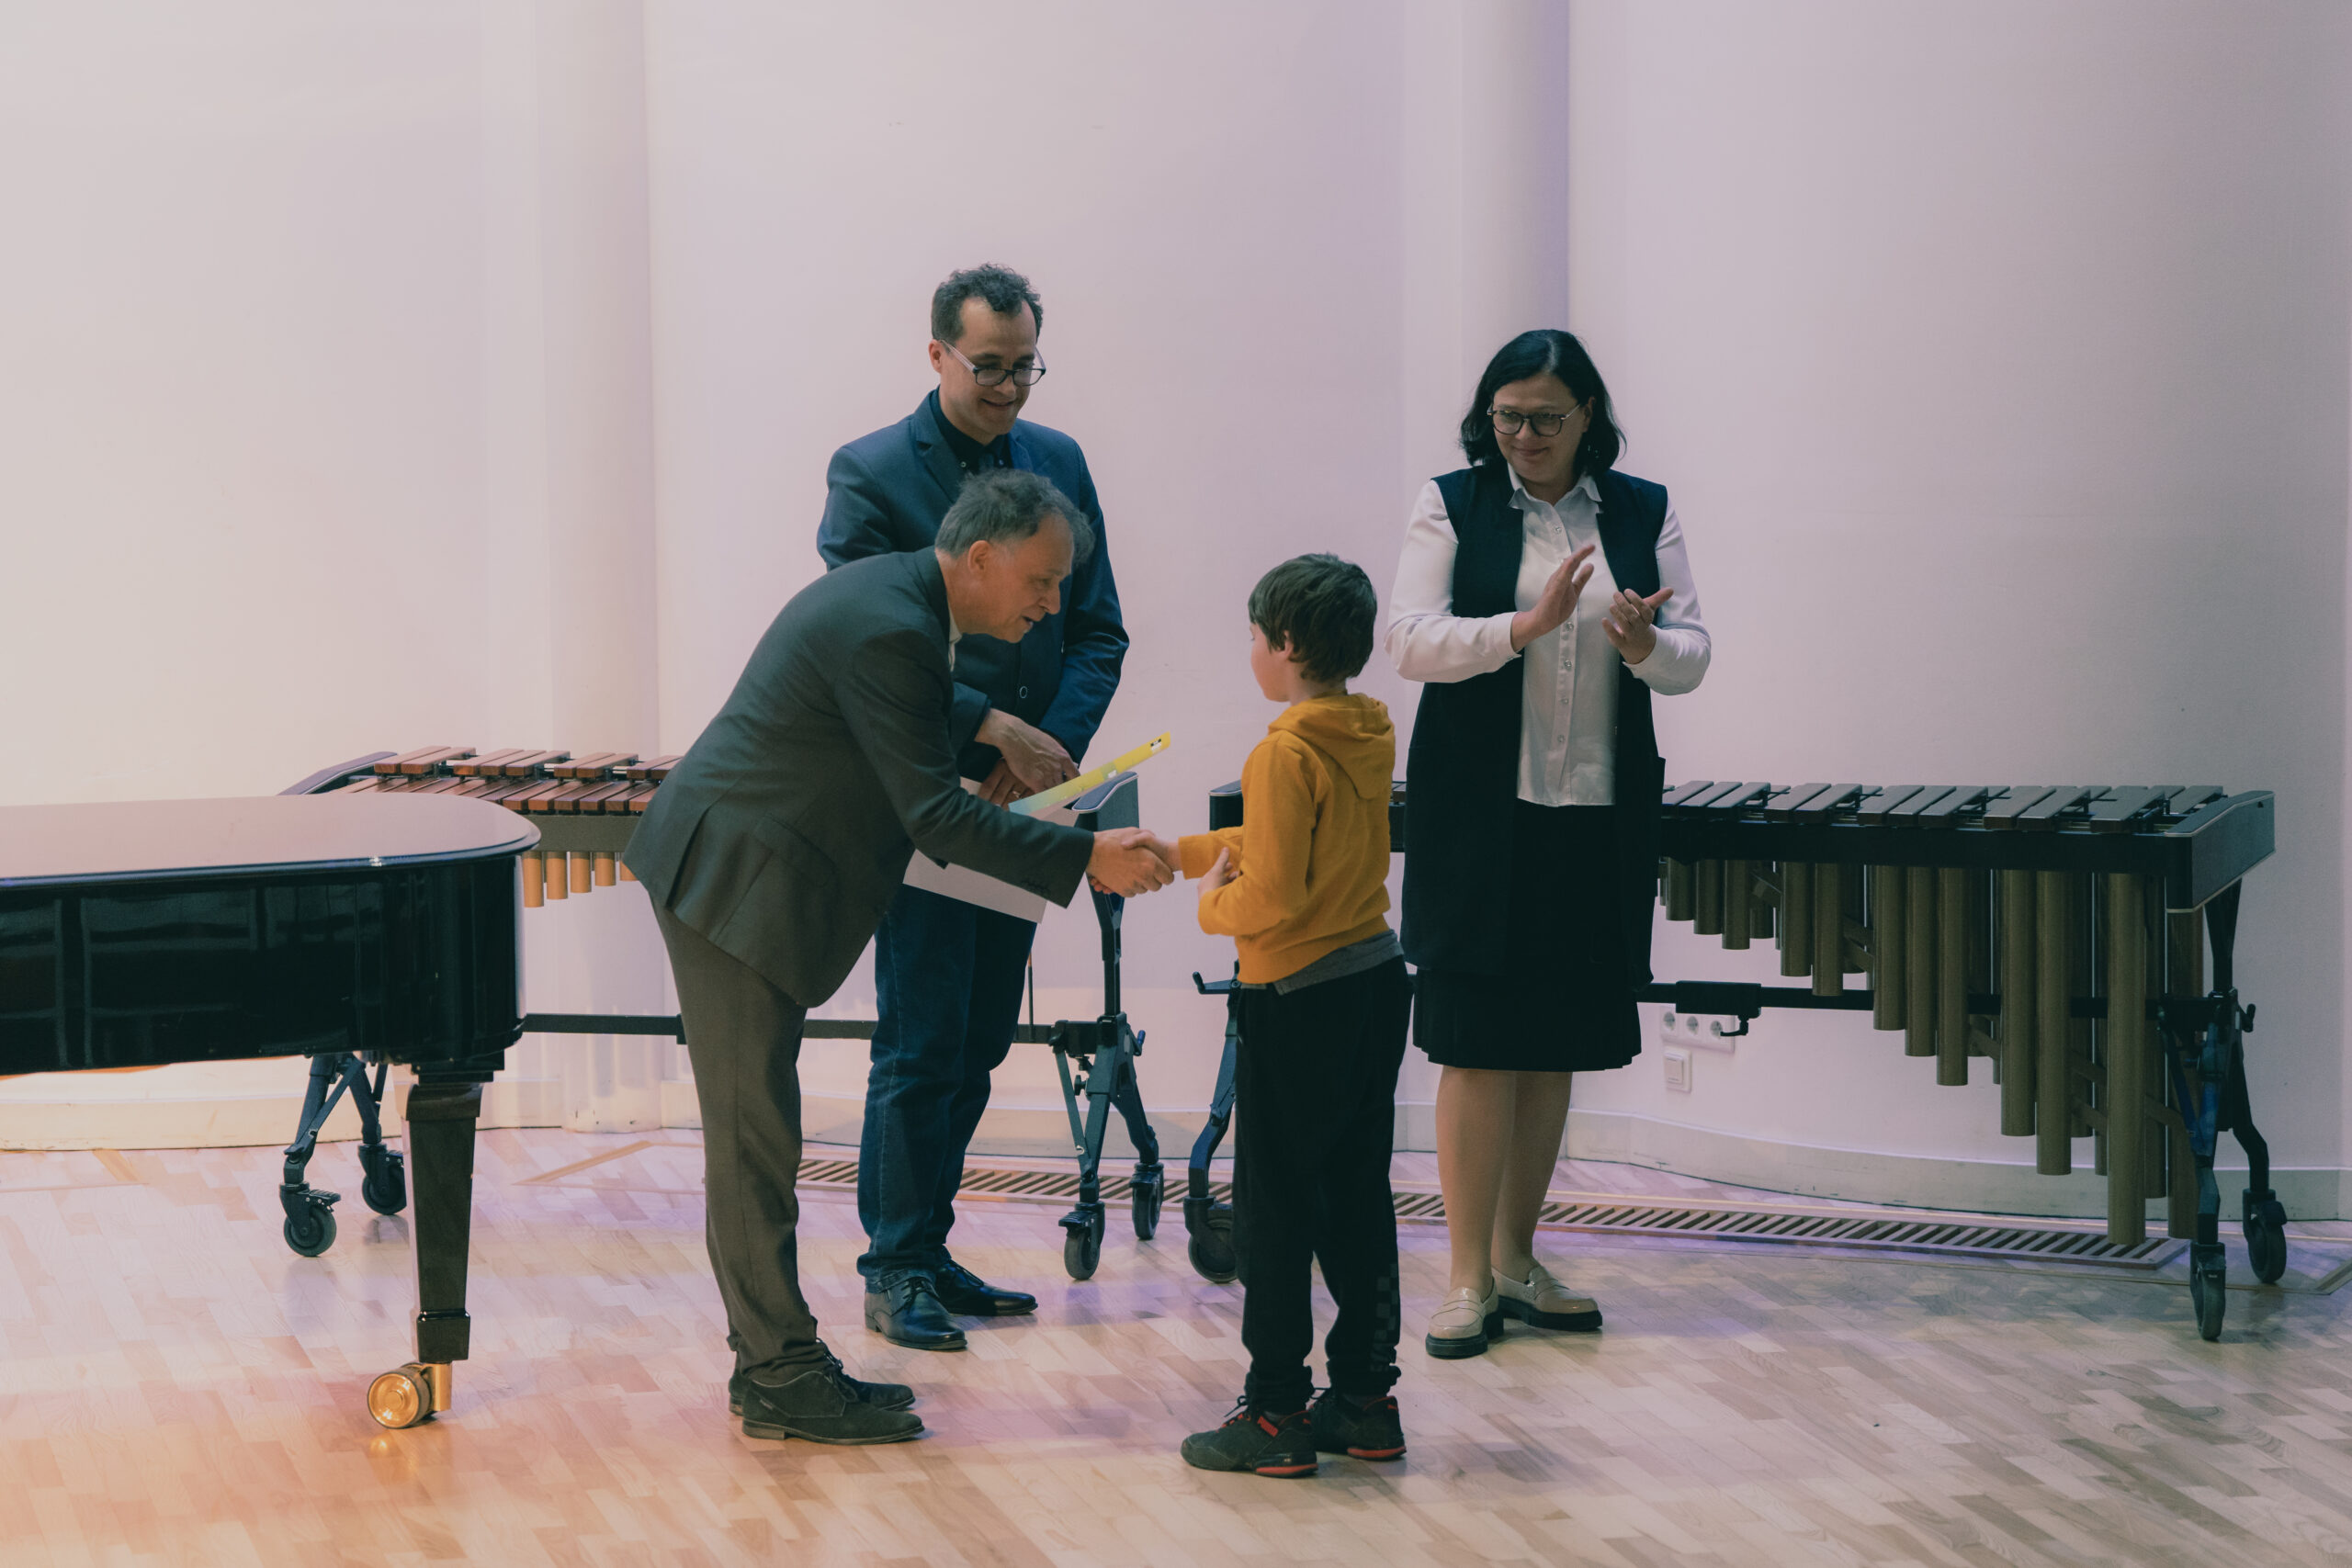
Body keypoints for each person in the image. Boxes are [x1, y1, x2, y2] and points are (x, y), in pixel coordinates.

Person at [623, 470, 1174, 1445]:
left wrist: (988, 721)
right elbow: (935, 815)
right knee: (754, 1142)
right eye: (1042, 581)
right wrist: (1086, 855)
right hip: (733, 881)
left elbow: (905, 705)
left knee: (759, 1136)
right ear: (981, 558)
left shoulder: (903, 601)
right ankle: (781, 1373)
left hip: (750, 871)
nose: (1053, 606)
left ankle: (772, 1365)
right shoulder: (894, 624)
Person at [817, 264, 1127, 1352]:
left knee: (984, 1037)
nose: (1007, 387)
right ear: (936, 352)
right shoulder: (869, 474)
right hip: (927, 794)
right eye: (988, 365)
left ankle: (930, 1246)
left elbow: (1097, 631)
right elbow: (865, 641)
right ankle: (893, 1264)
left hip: (1027, 796)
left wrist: (1046, 754)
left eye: (1025, 367)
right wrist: (987, 732)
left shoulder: (1059, 462)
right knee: (921, 1041)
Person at [1385, 329, 1711, 1359]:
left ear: (1587, 418)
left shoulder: (1642, 510)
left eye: (1545, 419)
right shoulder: (1452, 502)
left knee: (1555, 1042)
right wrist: (1520, 628)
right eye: (1507, 417)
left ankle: (1517, 1261)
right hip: (1480, 815)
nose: (1523, 436)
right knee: (1479, 1045)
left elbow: (1694, 654)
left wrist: (1645, 645)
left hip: (1594, 813)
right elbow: (1408, 641)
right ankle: (1463, 1277)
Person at [1171, 555, 1413, 1479]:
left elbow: (1270, 894)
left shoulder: (1279, 751)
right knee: (1355, 1197)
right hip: (1372, 984)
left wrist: (1208, 905)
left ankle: (1274, 1412)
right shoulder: (1363, 731)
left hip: (1296, 1000)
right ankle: (1364, 1400)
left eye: (1251, 637)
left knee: (1273, 1211)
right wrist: (1183, 852)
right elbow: (1293, 841)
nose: (1249, 653)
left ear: (1283, 643)